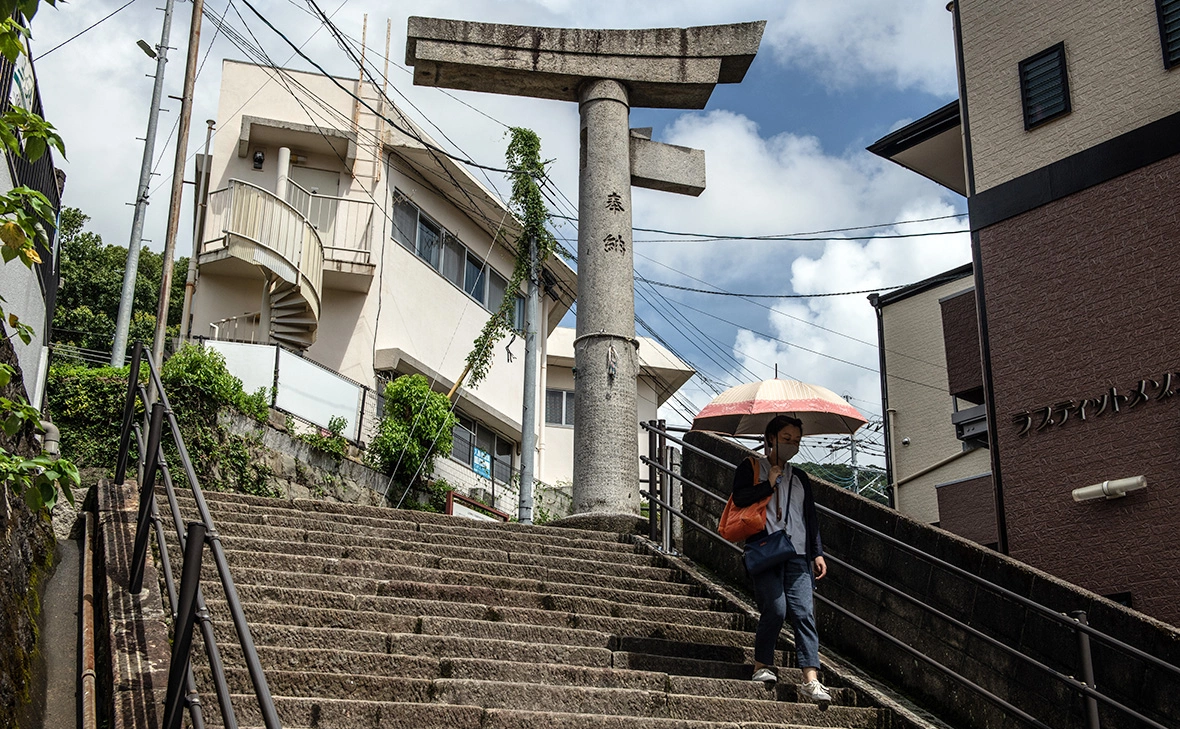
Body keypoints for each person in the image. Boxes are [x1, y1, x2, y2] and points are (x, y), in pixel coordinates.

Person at [730, 414, 831, 706]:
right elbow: (739, 498)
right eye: (786, 439)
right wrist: (769, 484)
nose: (792, 444)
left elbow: (809, 516)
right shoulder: (752, 467)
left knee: (804, 613)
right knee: (775, 609)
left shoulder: (800, 478)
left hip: (798, 554)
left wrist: (817, 552)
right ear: (770, 438)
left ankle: (811, 679)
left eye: (797, 440)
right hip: (765, 550)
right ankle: (762, 665)